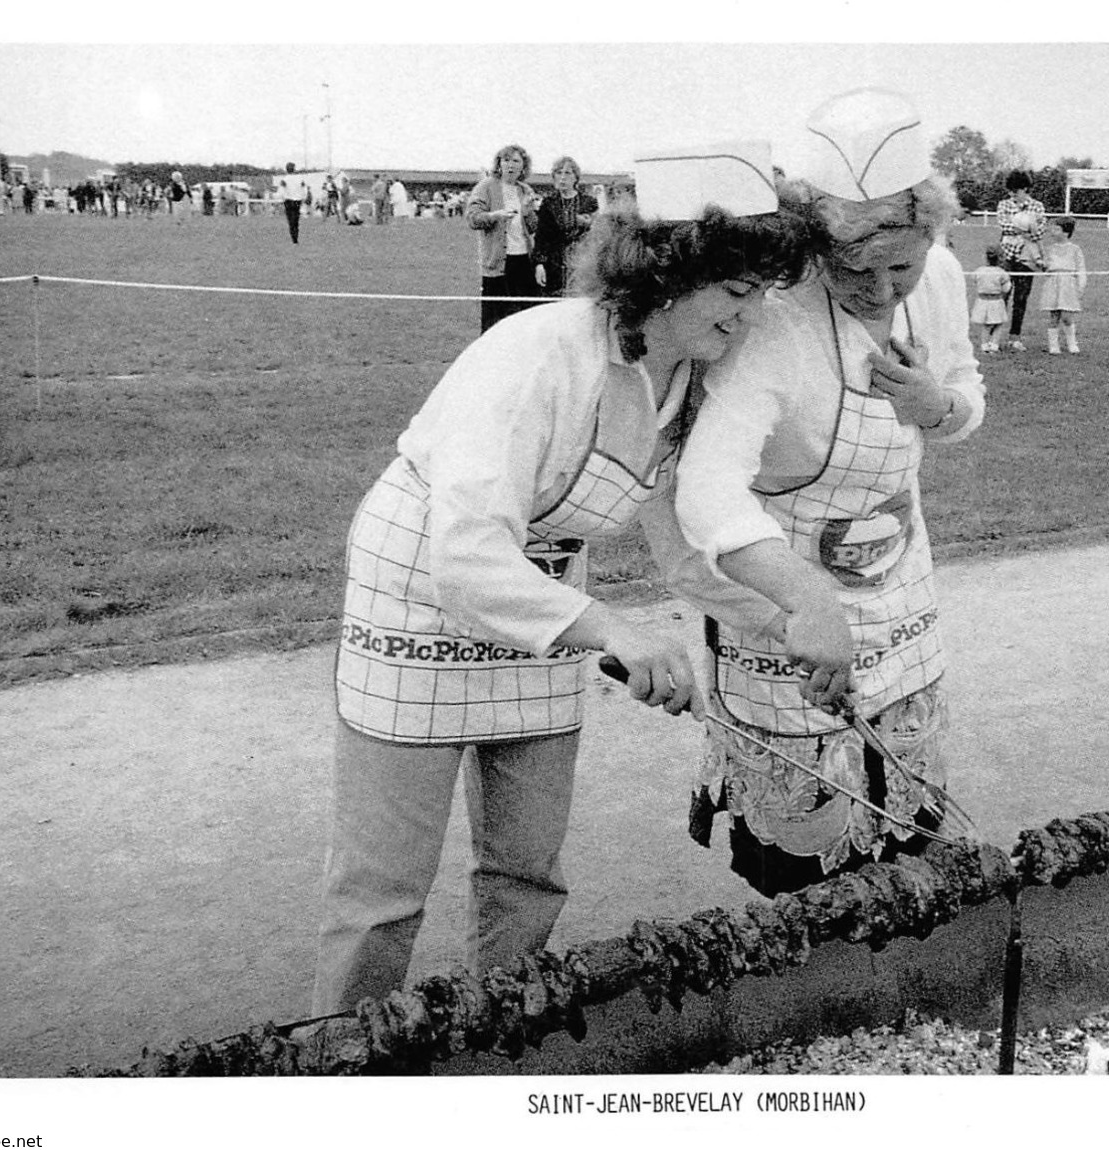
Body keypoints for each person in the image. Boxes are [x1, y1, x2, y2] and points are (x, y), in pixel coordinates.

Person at [311, 140, 812, 1013]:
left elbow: (685, 547)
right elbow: (465, 557)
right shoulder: (538, 351)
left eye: (762, 292)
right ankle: (340, 1064)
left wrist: (785, 627)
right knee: (382, 889)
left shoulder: (690, 376)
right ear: (663, 273)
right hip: (421, 593)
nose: (751, 315)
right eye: (736, 290)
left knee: (526, 869)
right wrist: (612, 628)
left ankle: (499, 1039)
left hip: (546, 600)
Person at [670, 89, 987, 898]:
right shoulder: (775, 326)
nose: (882, 290)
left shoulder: (941, 276)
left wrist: (938, 409)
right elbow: (705, 491)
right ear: (817, 252)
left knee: (908, 827)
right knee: (808, 859)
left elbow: (962, 390)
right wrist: (804, 599)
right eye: (856, 270)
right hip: (783, 601)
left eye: (901, 267)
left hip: (898, 585)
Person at [466, 144, 542, 333]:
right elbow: (472, 219)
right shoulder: (485, 187)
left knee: (525, 316)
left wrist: (527, 213)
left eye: (516, 161)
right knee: (494, 320)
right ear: (499, 164)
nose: (511, 165)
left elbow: (534, 227)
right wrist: (495, 215)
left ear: (523, 166)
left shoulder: (525, 190)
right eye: (506, 160)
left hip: (524, 261)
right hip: (497, 263)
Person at [532, 155, 600, 298]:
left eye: (567, 173)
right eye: (558, 173)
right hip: (554, 265)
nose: (562, 177)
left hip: (581, 263)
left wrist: (589, 224)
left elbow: (598, 235)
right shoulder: (549, 203)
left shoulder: (589, 202)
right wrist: (539, 265)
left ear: (576, 177)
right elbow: (541, 237)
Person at [995, 170, 1046, 351]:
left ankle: (1014, 337)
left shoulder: (1038, 206)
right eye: (1010, 191)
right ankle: (994, 337)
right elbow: (1004, 226)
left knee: (1021, 298)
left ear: (1025, 189)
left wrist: (1022, 227)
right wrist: (1027, 226)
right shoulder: (1004, 205)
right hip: (1006, 256)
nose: (1012, 195)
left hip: (1027, 258)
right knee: (1001, 296)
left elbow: (1039, 232)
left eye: (1015, 191)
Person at [1037, 216, 1087, 354]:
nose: (1052, 231)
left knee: (1067, 316)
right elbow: (1046, 267)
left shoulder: (1075, 249)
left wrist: (1081, 285)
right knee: (1054, 315)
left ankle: (1072, 343)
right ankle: (1053, 345)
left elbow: (1081, 268)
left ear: (1066, 232)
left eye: (1056, 229)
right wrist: (1042, 265)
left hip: (1068, 284)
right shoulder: (1049, 249)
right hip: (1053, 283)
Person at [970, 244, 1012, 353]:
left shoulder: (979, 271)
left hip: (982, 300)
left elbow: (974, 280)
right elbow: (1006, 289)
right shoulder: (1002, 273)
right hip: (996, 301)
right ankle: (993, 345)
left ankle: (985, 346)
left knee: (986, 325)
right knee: (998, 323)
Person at [279, 161, 309, 244]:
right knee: (296, 219)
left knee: (290, 220)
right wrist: (303, 197)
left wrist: (283, 199)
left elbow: (281, 191)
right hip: (297, 201)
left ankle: (294, 238)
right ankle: (296, 236)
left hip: (288, 201)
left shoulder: (284, 179)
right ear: (294, 169)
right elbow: (304, 189)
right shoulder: (299, 179)